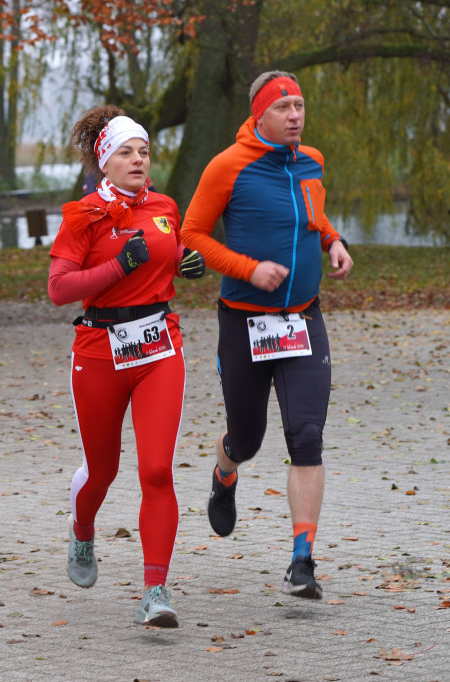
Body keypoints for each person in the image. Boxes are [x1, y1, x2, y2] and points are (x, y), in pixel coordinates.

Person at [181, 71, 354, 600]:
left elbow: (314, 215)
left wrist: (334, 240)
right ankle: (225, 469)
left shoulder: (312, 161)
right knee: (249, 438)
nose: (296, 115)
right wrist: (247, 268)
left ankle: (302, 560)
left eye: (300, 105)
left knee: (306, 436)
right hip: (244, 322)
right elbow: (191, 234)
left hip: (303, 319)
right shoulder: (227, 166)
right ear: (260, 115)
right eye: (284, 108)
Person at [47, 105, 206, 627]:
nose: (138, 159)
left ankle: (155, 590)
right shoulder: (83, 216)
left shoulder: (164, 204)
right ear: (104, 162)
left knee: (157, 469)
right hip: (99, 349)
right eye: (125, 152)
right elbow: (59, 289)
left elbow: (170, 250)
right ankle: (83, 529)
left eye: (143, 151)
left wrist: (186, 259)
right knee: (104, 469)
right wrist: (119, 266)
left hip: (159, 345)